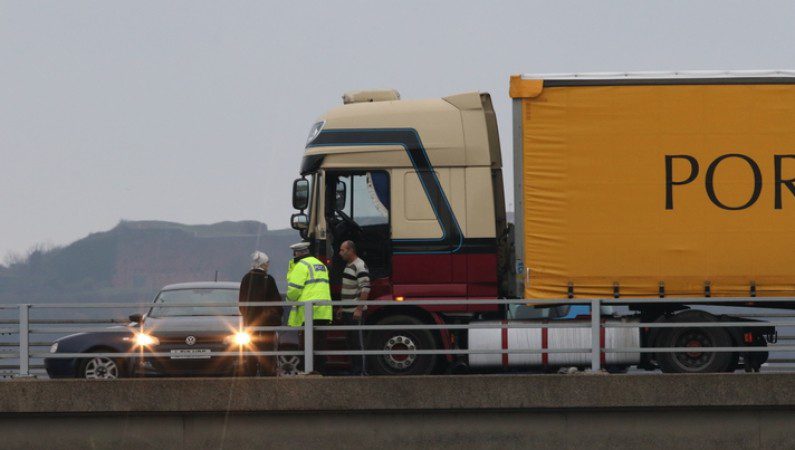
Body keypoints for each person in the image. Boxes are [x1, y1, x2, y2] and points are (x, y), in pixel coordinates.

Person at [285, 242, 333, 373]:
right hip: (324, 312)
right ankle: (321, 371)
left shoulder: (301, 266)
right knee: (320, 344)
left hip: (309, 312)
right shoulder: (320, 265)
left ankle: (308, 371)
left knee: (307, 344)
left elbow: (294, 290)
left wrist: (288, 302)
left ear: (297, 253)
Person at [239, 251, 283, 376]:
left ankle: (251, 372)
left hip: (250, 323)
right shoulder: (268, 279)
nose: (268, 265)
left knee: (251, 348)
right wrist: (274, 317)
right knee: (267, 349)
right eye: (267, 263)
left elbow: (242, 302)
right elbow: (276, 302)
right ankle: (267, 373)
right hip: (267, 324)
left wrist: (247, 316)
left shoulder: (246, 278)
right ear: (263, 264)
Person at [336, 240, 370, 375]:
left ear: (350, 250)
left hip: (355, 312)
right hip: (347, 311)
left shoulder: (359, 265)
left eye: (342, 250)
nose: (340, 253)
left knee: (358, 342)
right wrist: (341, 307)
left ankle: (361, 372)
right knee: (351, 342)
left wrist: (359, 308)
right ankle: (355, 370)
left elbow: (366, 288)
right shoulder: (348, 266)